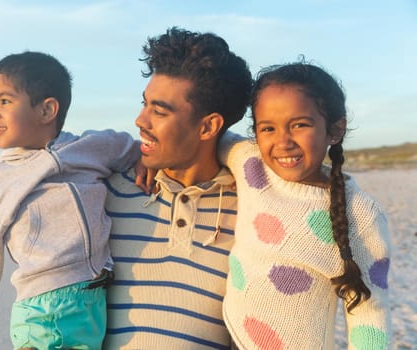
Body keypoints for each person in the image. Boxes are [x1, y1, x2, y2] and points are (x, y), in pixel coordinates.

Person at [0, 51, 141, 350]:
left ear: (47, 110)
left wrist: (146, 161)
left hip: (95, 303)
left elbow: (137, 149)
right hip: (45, 311)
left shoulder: (90, 148)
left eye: (5, 101)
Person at [219, 61, 391, 349]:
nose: (283, 141)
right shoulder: (250, 164)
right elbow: (201, 137)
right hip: (232, 336)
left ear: (335, 129)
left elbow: (368, 312)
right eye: (268, 128)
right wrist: (138, 159)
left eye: (300, 124)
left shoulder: (361, 214)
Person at [102, 27, 253, 349]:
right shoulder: (106, 192)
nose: (140, 120)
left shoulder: (253, 209)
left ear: (209, 126)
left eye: (159, 111)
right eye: (144, 105)